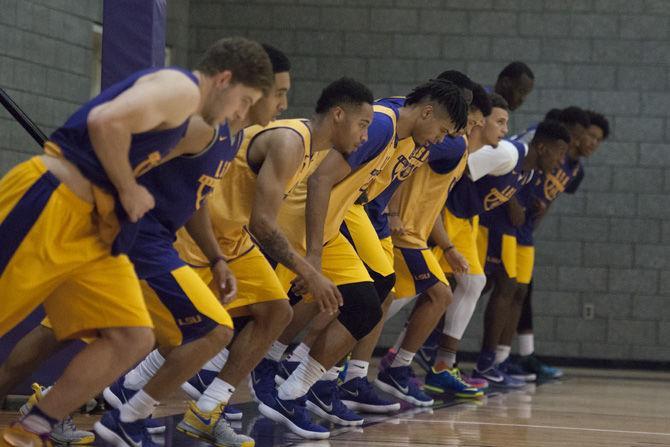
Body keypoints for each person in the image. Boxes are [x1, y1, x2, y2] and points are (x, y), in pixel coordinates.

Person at [0, 37, 272, 447]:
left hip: (94, 230)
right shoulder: (181, 89)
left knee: (133, 337)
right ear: (224, 79)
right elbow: (105, 122)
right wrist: (128, 189)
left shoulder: (194, 121)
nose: (242, 113)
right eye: (244, 100)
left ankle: (30, 430)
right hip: (51, 201)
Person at [259, 79, 468, 438]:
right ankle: (266, 368)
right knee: (267, 310)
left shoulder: (402, 135)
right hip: (306, 218)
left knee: (368, 303)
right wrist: (313, 255)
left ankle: (297, 387)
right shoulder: (385, 124)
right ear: (428, 112)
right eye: (443, 131)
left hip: (339, 218)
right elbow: (320, 182)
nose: (440, 140)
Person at [503, 109, 609, 381]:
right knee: (485, 285)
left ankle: (514, 358)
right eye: (590, 136)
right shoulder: (541, 143)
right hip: (503, 220)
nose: (591, 143)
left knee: (516, 291)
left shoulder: (575, 170)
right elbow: (515, 170)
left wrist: (536, 221)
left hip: (526, 230)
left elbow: (551, 197)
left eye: (598, 140)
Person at [473, 120, 572, 386]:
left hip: (519, 231)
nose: (562, 160)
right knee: (473, 287)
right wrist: (511, 202)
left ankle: (494, 360)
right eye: (559, 152)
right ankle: (451, 356)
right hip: (490, 224)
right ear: (542, 146)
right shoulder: (514, 151)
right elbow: (476, 171)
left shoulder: (534, 170)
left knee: (510, 290)